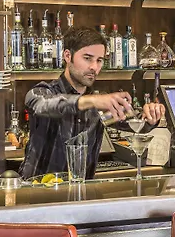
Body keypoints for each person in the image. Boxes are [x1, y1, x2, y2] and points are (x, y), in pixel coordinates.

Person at [19, 26, 165, 179]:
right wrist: (92, 101)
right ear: (67, 56)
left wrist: (150, 115)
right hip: (38, 189)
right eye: (87, 58)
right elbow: (42, 105)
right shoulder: (43, 92)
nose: (94, 67)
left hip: (81, 191)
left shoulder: (100, 104)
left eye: (99, 60)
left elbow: (135, 123)